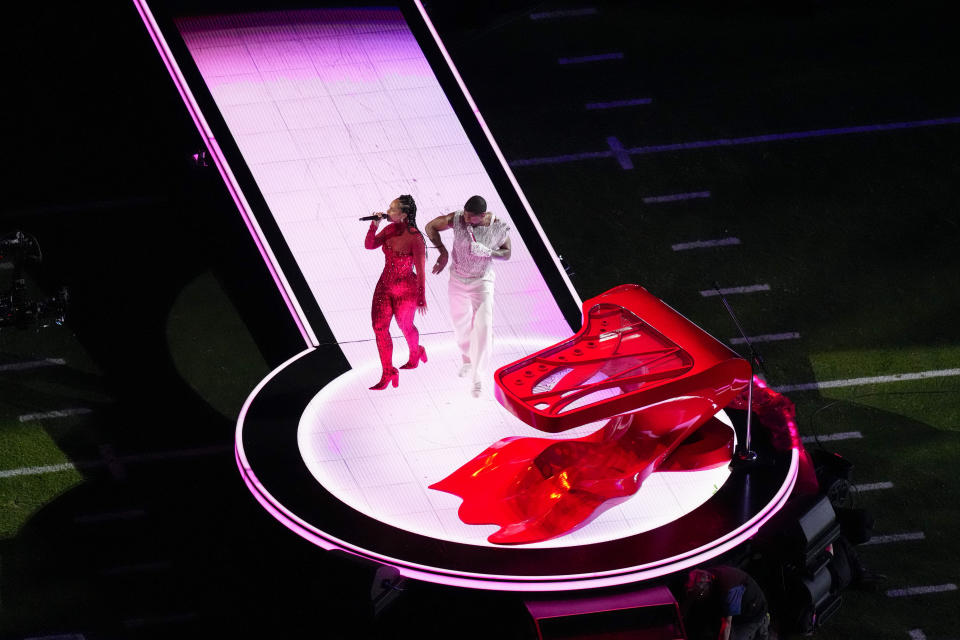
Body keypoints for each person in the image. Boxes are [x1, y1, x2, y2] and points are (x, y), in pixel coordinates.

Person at [425, 195, 511, 397]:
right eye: (464, 213)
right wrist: (443, 252)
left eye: (470, 216)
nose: (465, 218)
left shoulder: (498, 226)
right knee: (460, 324)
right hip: (457, 279)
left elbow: (507, 253)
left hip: (481, 281)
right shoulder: (457, 219)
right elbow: (430, 227)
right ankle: (466, 357)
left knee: (483, 326)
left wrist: (488, 251)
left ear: (481, 216)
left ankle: (478, 377)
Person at [364, 195, 428, 390]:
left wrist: (421, 296)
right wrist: (374, 225)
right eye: (389, 209)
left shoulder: (415, 238)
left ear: (404, 214)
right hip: (385, 286)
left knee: (405, 326)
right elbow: (369, 245)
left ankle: (416, 351)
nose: (388, 212)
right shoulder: (389, 229)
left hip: (406, 290)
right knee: (379, 328)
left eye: (392, 210)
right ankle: (388, 371)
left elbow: (421, 270)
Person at [683, 566, 771, 640]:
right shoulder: (706, 576)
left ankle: (763, 628)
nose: (699, 598)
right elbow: (691, 599)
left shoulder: (729, 589)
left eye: (700, 594)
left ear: (708, 584)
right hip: (734, 611)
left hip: (752, 615)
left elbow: (727, 624)